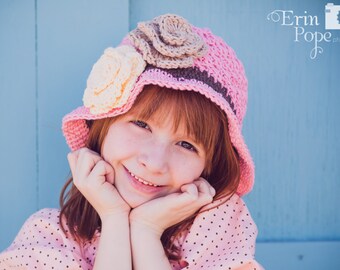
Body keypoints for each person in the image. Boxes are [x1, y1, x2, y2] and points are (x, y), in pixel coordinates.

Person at [0, 14, 263, 269]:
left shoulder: (218, 235)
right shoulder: (49, 240)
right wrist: (114, 219)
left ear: (209, 166)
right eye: (141, 124)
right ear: (104, 123)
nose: (154, 162)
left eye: (186, 145)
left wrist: (146, 230)